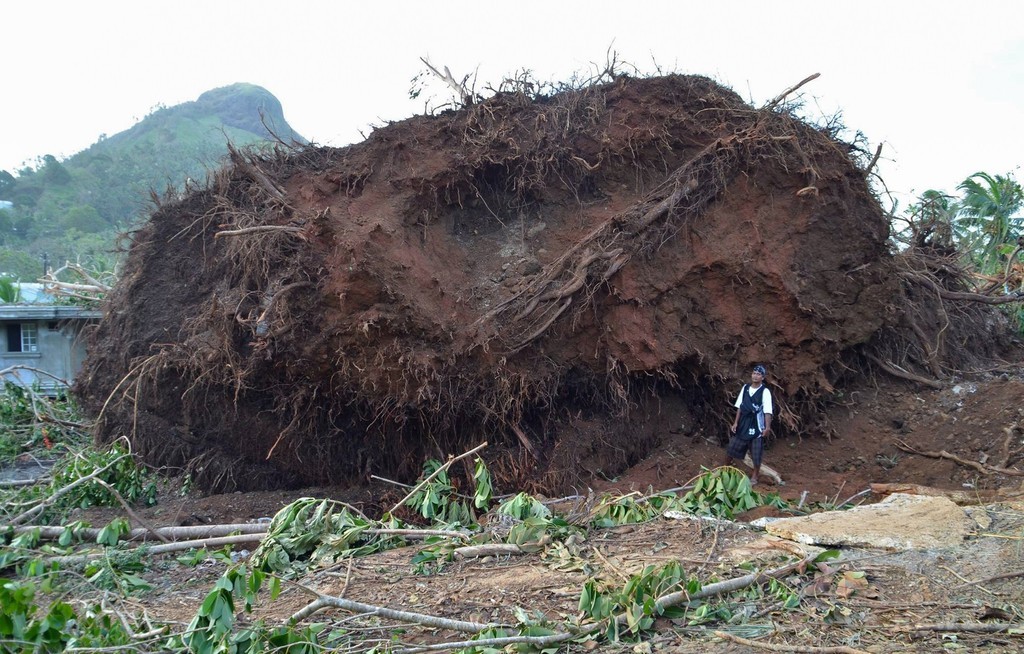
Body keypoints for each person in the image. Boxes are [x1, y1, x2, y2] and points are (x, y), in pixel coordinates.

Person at [722, 364, 773, 485]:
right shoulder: (745, 388)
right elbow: (740, 406)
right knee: (731, 449)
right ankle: (724, 470)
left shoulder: (765, 392)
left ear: (762, 377)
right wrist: (735, 423)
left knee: (756, 453)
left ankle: (755, 476)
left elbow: (767, 411)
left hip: (756, 424)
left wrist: (767, 427)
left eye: (758, 374)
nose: (755, 376)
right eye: (754, 373)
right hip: (743, 423)